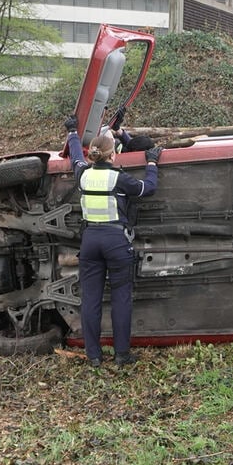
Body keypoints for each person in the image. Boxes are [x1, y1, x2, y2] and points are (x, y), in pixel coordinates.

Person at [64, 115, 162, 367]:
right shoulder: (119, 178)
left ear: (92, 156)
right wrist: (152, 162)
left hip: (90, 241)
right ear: (112, 156)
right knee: (120, 297)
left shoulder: (83, 174)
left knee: (91, 299)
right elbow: (147, 188)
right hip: (115, 241)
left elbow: (75, 155)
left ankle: (94, 356)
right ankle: (121, 354)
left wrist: (72, 132)